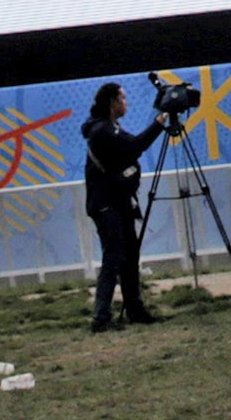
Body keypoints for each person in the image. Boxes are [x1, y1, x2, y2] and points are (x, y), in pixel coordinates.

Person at [80, 83, 164, 332]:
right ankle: (100, 317)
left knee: (129, 256)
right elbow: (135, 146)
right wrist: (160, 121)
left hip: (117, 201)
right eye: (123, 99)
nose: (126, 103)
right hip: (107, 204)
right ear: (112, 103)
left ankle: (135, 309)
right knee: (113, 257)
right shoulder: (103, 130)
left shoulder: (109, 128)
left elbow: (132, 148)